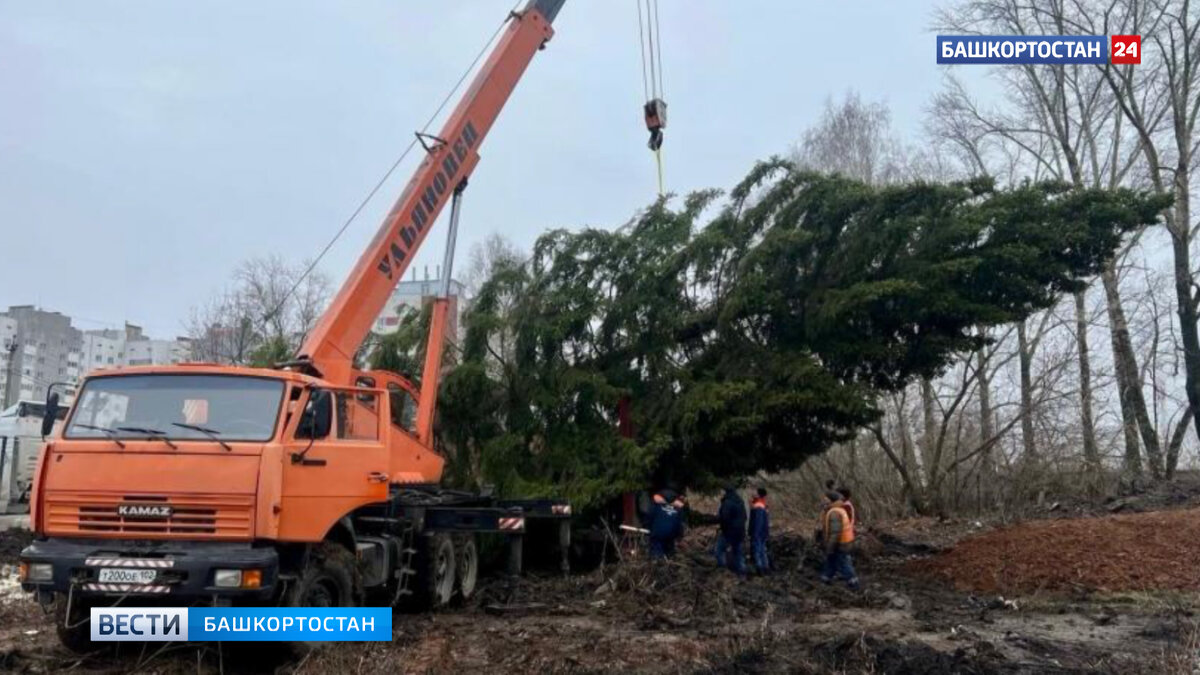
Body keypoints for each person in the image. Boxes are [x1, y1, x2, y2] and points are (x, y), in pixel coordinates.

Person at [820, 490, 859, 590]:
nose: (822, 501)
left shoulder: (834, 513)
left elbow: (835, 533)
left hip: (840, 544)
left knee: (843, 563)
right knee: (831, 561)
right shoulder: (837, 510)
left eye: (825, 499)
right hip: (844, 542)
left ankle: (853, 583)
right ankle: (826, 578)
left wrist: (829, 547)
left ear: (831, 500)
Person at [716, 485, 747, 576]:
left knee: (719, 550)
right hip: (740, 531)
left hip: (729, 531)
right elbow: (744, 516)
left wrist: (724, 529)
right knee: (738, 551)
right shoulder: (740, 501)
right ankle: (742, 571)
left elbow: (724, 518)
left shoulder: (727, 502)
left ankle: (723, 569)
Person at [648, 489, 685, 559]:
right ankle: (669, 562)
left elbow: (650, 517)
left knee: (656, 554)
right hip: (671, 535)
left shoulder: (656, 505)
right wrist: (679, 536)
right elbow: (679, 523)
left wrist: (649, 528)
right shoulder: (678, 508)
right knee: (669, 554)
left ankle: (657, 563)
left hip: (657, 533)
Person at [749, 487, 771, 574]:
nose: (753, 494)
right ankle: (766, 567)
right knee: (762, 550)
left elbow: (758, 522)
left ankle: (760, 568)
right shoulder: (763, 504)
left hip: (758, 533)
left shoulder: (758, 506)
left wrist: (754, 533)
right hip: (763, 532)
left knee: (757, 550)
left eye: (755, 492)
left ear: (758, 494)